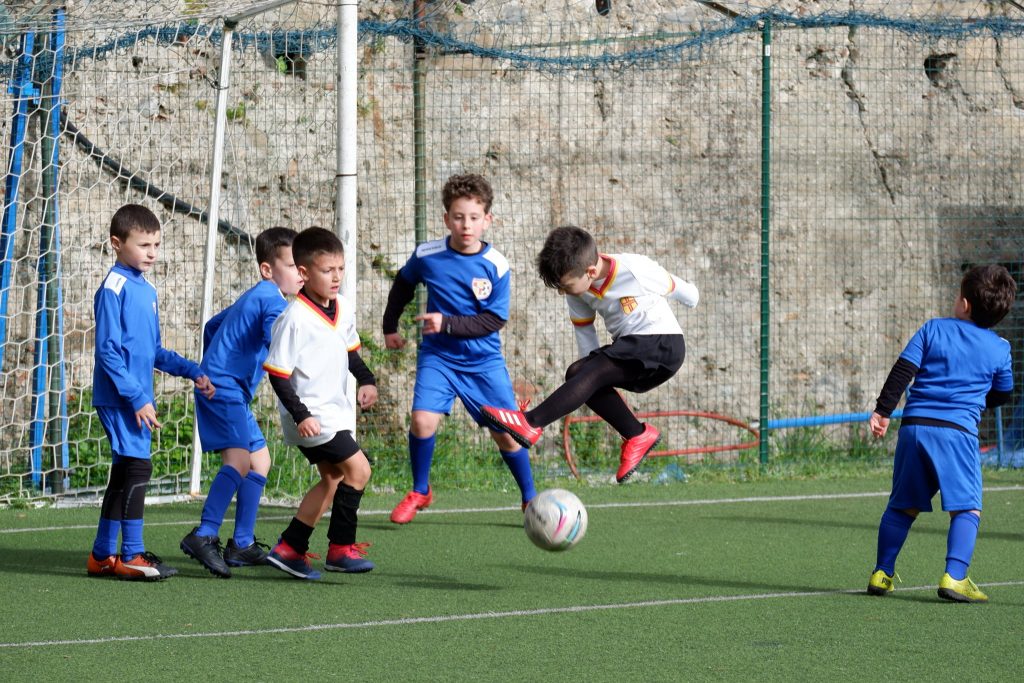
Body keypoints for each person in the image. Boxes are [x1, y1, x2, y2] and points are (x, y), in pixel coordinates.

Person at [481, 225, 699, 484]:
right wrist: (586, 375)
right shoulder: (578, 291)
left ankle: (531, 422)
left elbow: (686, 293)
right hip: (633, 351)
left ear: (591, 271)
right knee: (576, 372)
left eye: (565, 286)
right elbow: (586, 339)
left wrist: (692, 296)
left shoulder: (636, 269)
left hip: (664, 344)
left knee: (590, 372)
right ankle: (637, 434)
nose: (563, 292)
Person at [382, 173, 536, 524]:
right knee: (422, 421)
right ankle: (420, 490)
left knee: (507, 436)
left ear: (487, 220)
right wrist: (390, 326)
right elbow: (403, 286)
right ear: (446, 218)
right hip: (438, 357)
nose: (466, 225)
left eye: (474, 217)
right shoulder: (427, 255)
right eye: (458, 216)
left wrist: (446, 323)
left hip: (483, 362)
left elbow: (493, 321)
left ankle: (529, 498)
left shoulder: (496, 265)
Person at [866, 264, 1016, 603]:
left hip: (914, 429)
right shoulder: (999, 349)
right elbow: (1003, 394)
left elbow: (903, 371)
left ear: (964, 304)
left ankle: (882, 571)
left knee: (902, 506)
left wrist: (883, 411)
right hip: (957, 434)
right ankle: (955, 577)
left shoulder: (933, 329)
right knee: (967, 508)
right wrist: (975, 399)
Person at [86, 204, 215, 581]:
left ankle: (102, 555)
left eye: (156, 244)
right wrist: (137, 397)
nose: (152, 252)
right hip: (120, 397)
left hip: (134, 396)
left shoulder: (147, 288)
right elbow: (108, 350)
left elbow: (154, 350)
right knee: (138, 467)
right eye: (144, 244)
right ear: (117, 243)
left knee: (126, 471)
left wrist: (193, 370)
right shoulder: (114, 287)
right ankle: (133, 554)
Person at [180, 227, 304, 578]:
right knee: (238, 460)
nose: (301, 273)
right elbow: (275, 339)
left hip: (225, 386)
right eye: (294, 266)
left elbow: (212, 325)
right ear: (268, 269)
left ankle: (242, 543)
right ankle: (203, 535)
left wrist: (215, 363)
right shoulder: (273, 301)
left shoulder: (257, 295)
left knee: (260, 461)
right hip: (223, 389)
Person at [262, 227, 378, 580]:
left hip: (333, 413)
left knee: (332, 480)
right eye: (327, 271)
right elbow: (278, 374)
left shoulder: (341, 307)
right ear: (303, 273)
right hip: (312, 416)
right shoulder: (293, 318)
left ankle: (290, 548)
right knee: (359, 470)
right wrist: (301, 415)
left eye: (340, 269)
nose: (336, 277)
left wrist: (368, 380)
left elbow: (350, 353)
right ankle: (341, 549)